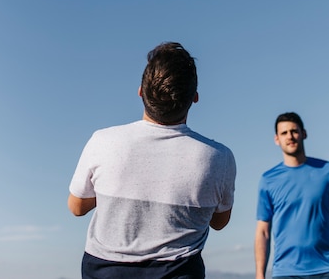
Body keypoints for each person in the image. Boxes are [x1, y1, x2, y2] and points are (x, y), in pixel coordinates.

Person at [68, 42, 236, 279]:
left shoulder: (103, 141)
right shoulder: (220, 157)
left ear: (140, 92)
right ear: (195, 97)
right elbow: (219, 222)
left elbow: (77, 207)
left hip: (106, 272)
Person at [255, 112, 329, 279]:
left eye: (294, 131)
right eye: (284, 133)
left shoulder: (327, 170)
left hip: (327, 268)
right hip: (285, 272)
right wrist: (260, 274)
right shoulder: (268, 180)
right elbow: (263, 231)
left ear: (303, 133)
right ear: (277, 139)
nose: (290, 136)